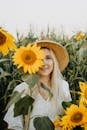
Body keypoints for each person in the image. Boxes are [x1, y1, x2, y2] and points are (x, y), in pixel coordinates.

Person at [4, 40, 72, 130]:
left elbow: (68, 117)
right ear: (32, 62)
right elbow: (13, 124)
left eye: (48, 58)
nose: (44, 63)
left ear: (54, 61)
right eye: (39, 58)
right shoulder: (22, 89)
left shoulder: (63, 86)